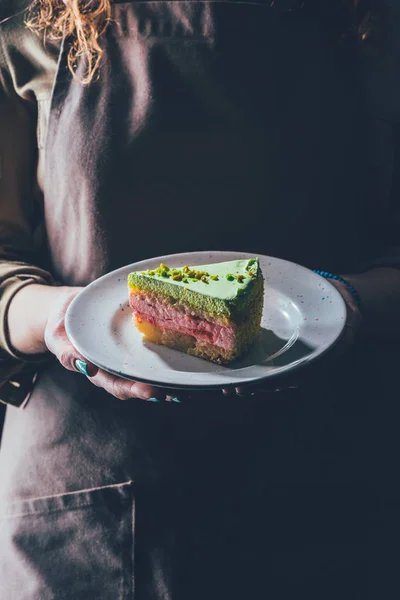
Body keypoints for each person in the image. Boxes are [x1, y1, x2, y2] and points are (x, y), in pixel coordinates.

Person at [0, 0, 399, 597]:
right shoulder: (30, 31)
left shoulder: (372, 25)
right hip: (88, 501)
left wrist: (349, 304)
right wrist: (56, 317)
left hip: (322, 482)